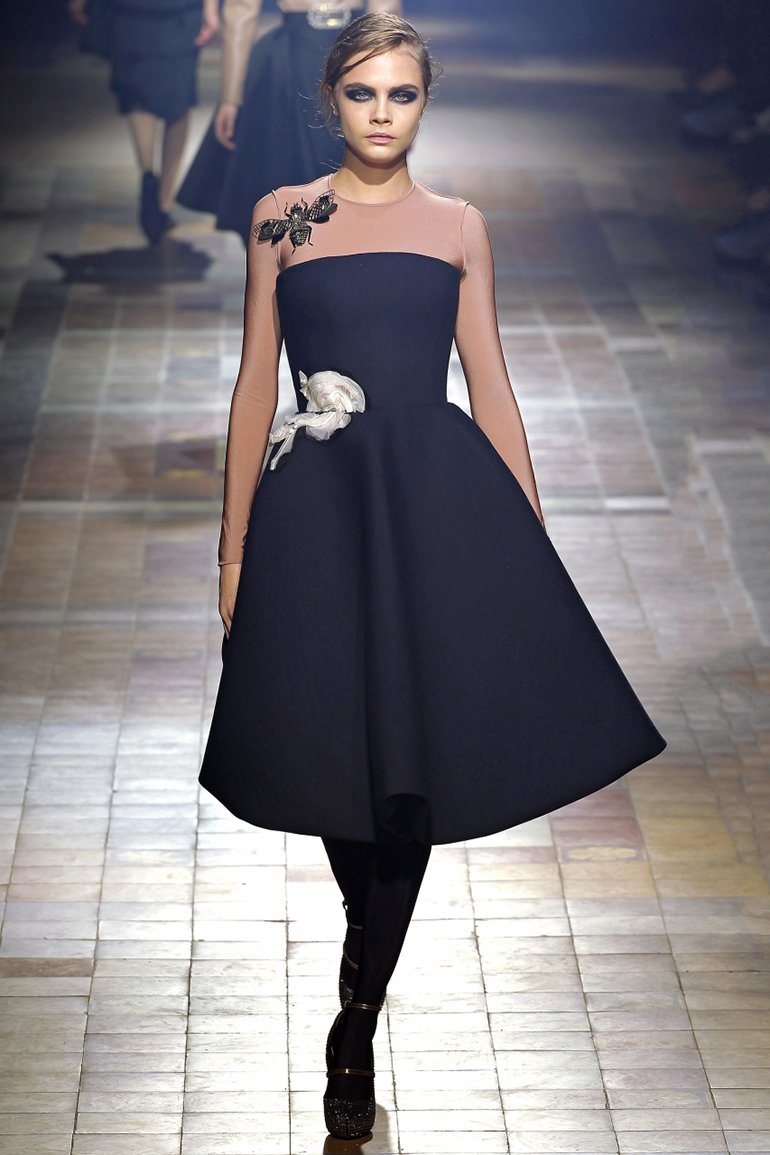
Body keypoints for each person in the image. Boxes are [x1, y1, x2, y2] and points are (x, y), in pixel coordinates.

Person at [199, 13, 667, 1141]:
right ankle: (367, 957)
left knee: (403, 788)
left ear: (423, 103)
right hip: (318, 515)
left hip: (432, 510)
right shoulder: (280, 219)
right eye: (362, 93)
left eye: (400, 94)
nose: (381, 113)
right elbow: (255, 384)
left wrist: (527, 541)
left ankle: (354, 1019)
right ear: (331, 99)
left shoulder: (458, 225)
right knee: (334, 756)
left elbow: (489, 382)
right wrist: (233, 547)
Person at [176, 0, 402, 244]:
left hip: (291, 65)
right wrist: (386, 83)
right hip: (351, 61)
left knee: (283, 198)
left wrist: (231, 98)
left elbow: (242, 10)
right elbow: (385, 10)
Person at [69, 0, 219, 244]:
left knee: (137, 94)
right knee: (178, 102)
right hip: (179, 13)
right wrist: (211, 10)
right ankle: (164, 202)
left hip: (130, 12)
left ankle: (148, 174)